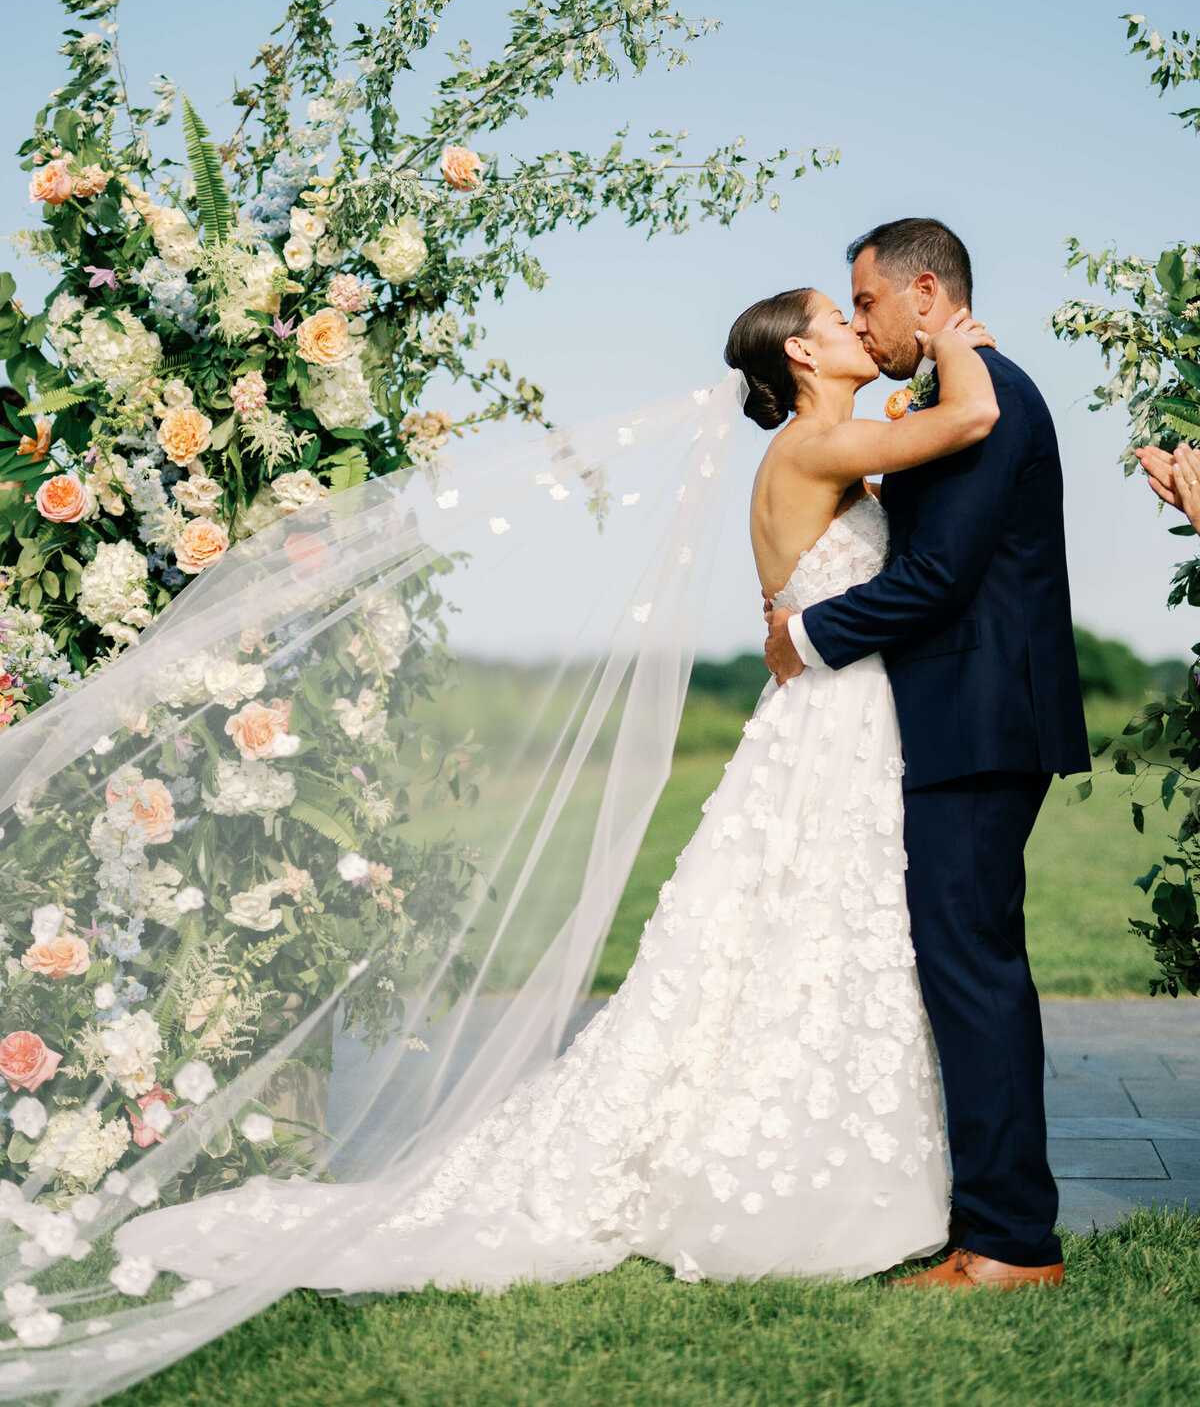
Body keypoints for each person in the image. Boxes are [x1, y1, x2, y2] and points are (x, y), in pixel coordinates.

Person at [111, 285, 1007, 1301]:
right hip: (830, 725)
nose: (859, 329)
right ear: (802, 352)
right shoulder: (810, 447)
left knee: (811, 943)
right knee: (805, 937)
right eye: (841, 321)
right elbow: (969, 419)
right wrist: (957, 340)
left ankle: (839, 1167)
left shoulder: (839, 443)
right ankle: (780, 1182)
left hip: (838, 722)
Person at [764, 218, 1090, 1290]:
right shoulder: (960, 394)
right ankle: (989, 1221)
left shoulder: (987, 399)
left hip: (981, 713)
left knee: (974, 972)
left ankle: (1006, 1244)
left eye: (864, 304)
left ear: (920, 293)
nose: (860, 323)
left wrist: (803, 637)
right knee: (967, 967)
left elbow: (939, 578)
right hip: (966, 713)